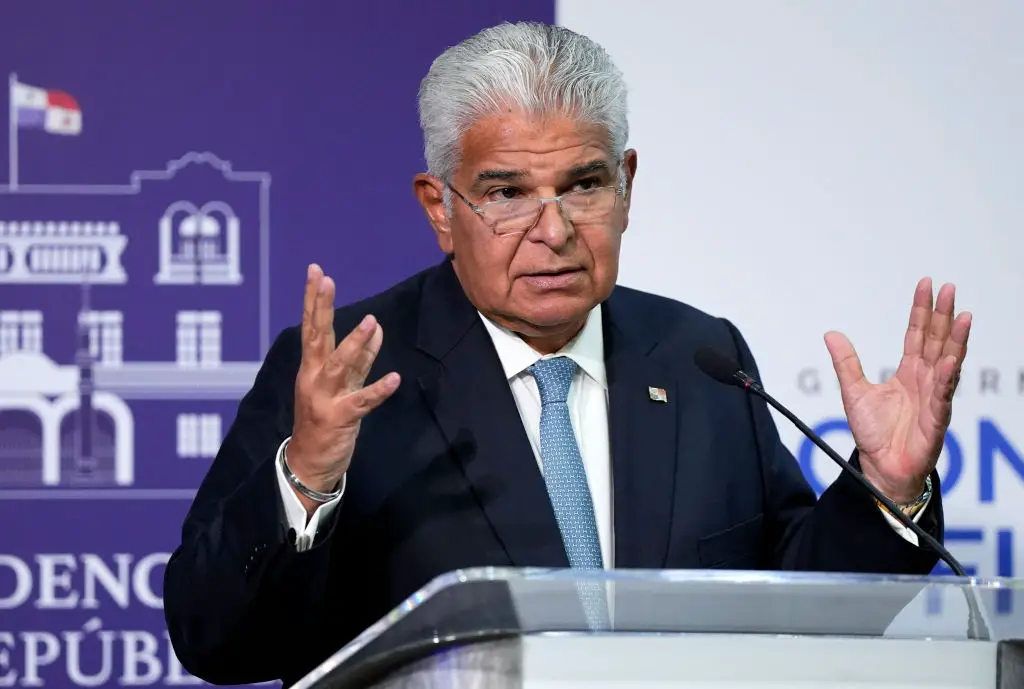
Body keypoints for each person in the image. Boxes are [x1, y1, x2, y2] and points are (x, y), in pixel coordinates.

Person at [163, 21, 971, 687]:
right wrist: (306, 477)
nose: (553, 232)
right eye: (508, 193)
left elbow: (796, 605)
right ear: (440, 208)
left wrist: (885, 487)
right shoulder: (351, 375)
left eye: (583, 185)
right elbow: (216, 641)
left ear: (626, 183)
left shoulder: (699, 357)